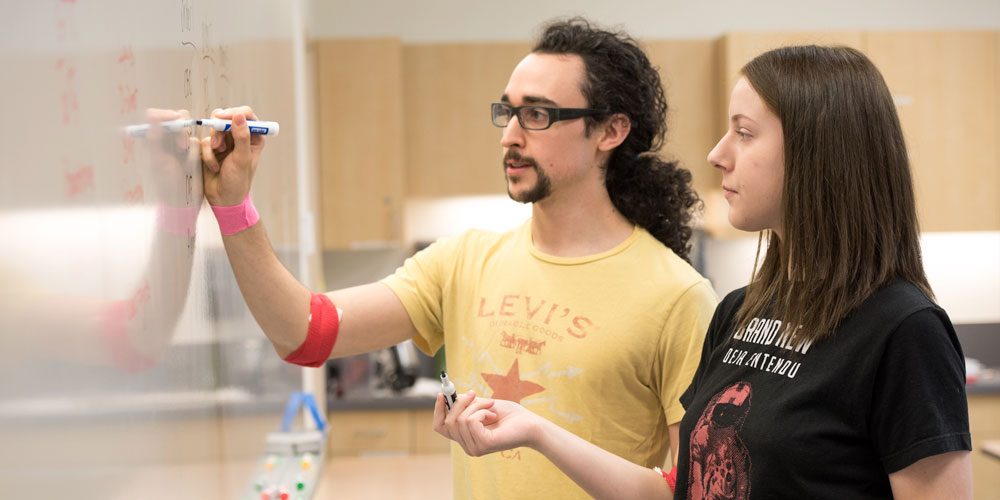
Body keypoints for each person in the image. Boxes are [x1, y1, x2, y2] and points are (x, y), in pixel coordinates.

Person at [198, 17, 717, 499]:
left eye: (536, 115)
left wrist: (540, 433)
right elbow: (304, 334)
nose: (509, 136)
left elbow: (688, 489)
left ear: (610, 131)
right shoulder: (464, 261)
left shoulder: (677, 298)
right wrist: (233, 206)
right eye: (508, 112)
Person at [433, 45, 973, 499]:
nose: (717, 155)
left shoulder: (903, 331)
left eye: (744, 132)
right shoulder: (741, 311)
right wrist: (535, 431)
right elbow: (681, 490)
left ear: (818, 153)